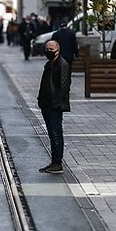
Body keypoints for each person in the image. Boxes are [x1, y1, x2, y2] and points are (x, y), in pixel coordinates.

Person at [37, 40, 71, 174]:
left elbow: (64, 87)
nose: (49, 51)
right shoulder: (49, 64)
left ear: (58, 50)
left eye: (51, 49)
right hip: (46, 104)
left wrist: (55, 103)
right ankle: (54, 162)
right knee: (52, 133)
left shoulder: (62, 65)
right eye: (47, 49)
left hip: (54, 106)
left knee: (56, 133)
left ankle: (57, 163)